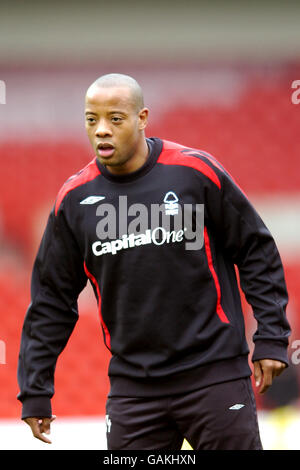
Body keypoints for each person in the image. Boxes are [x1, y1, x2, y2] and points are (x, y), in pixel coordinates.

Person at [17, 73, 291, 450]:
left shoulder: (195, 173)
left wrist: (272, 338)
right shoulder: (74, 201)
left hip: (215, 377)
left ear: (142, 118)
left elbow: (256, 250)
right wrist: (35, 388)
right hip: (135, 392)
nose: (101, 131)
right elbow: (51, 300)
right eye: (91, 119)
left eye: (115, 118)